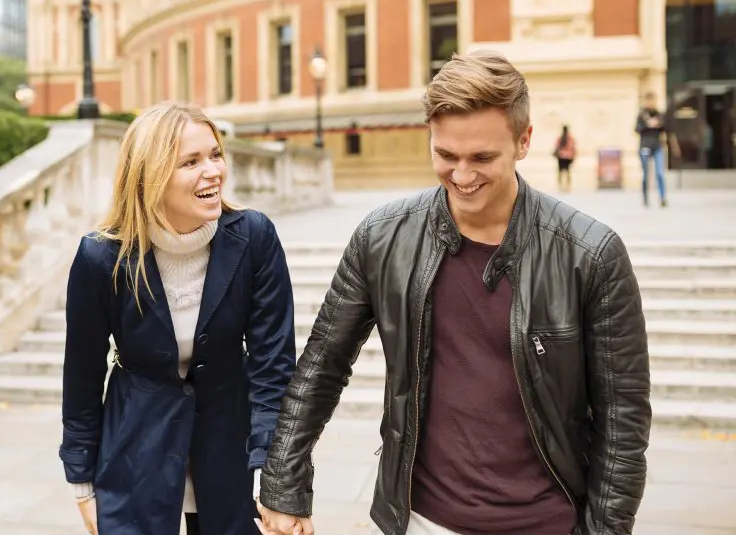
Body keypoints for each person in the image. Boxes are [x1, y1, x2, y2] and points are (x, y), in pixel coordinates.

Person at [255, 50, 652, 535]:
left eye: (482, 158)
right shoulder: (381, 238)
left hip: (546, 521)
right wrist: (282, 483)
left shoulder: (591, 255)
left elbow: (623, 417)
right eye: (446, 156)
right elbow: (322, 365)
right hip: (422, 520)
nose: (462, 176)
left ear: (524, 141)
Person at [59, 100, 297, 535]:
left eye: (215, 154)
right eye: (191, 161)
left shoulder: (254, 238)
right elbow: (82, 377)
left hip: (230, 448)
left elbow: (273, 367)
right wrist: (81, 483)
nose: (213, 171)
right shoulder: (100, 259)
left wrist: (276, 477)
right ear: (151, 176)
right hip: (136, 449)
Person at [635, 91, 668, 207]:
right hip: (645, 146)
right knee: (645, 174)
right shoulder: (641, 115)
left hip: (657, 146)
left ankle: (663, 197)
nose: (650, 103)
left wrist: (658, 124)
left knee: (659, 173)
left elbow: (666, 128)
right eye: (648, 100)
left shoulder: (659, 114)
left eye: (652, 100)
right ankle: (645, 197)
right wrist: (646, 125)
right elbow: (637, 129)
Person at [552, 125, 576, 191]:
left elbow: (556, 147)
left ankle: (560, 186)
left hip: (561, 157)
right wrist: (573, 157)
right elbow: (573, 148)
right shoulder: (570, 138)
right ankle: (568, 186)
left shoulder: (560, 138)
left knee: (560, 171)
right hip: (568, 157)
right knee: (568, 171)